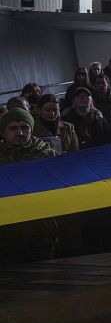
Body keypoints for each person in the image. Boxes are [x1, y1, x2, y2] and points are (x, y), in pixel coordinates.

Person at [0, 108, 59, 263]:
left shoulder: (47, 155)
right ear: (3, 132)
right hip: (5, 229)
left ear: (31, 130)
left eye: (24, 128)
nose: (19, 133)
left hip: (40, 230)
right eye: (13, 128)